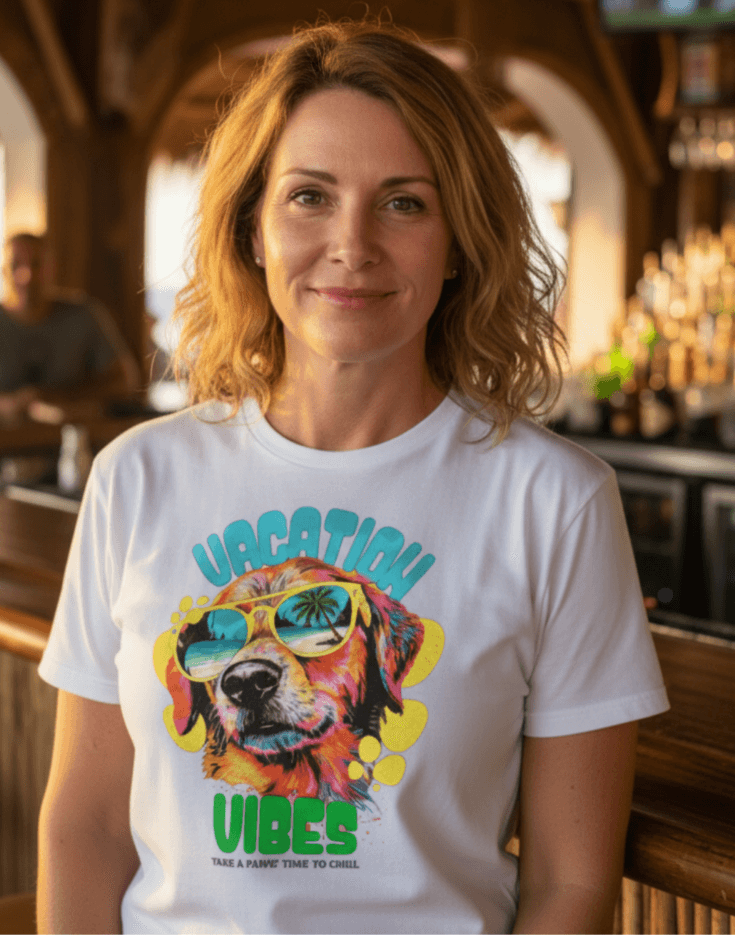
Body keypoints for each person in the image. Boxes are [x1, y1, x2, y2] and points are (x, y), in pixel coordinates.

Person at [36, 14, 670, 935]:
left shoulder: (555, 502)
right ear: (252, 227)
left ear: (459, 242)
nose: (352, 243)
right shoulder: (136, 477)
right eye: (309, 196)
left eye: (404, 201)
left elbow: (571, 882)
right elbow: (85, 827)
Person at [0, 232, 139, 425]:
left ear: (52, 268)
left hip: (74, 441)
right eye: (15, 265)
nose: (26, 276)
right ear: (3, 270)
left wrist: (59, 397)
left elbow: (125, 380)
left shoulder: (84, 314)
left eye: (36, 264)